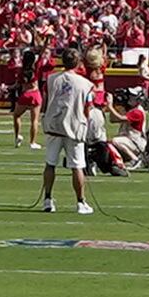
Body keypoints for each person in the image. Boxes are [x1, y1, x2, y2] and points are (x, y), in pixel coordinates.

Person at [40, 45, 98, 219]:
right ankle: (80, 202)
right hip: (74, 126)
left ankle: (48, 199)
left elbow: (46, 101)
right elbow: (88, 108)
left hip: (54, 125)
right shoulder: (86, 84)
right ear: (78, 62)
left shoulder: (51, 79)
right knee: (77, 165)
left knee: (50, 163)